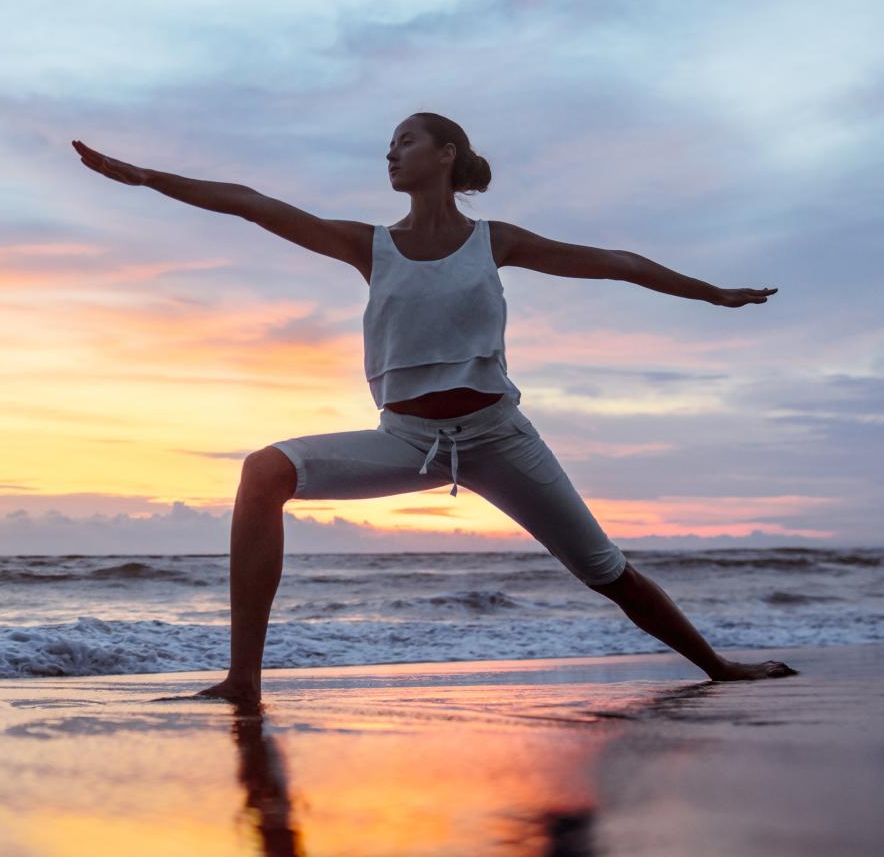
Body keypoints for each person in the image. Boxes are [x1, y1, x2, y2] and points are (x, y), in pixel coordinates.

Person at [72, 113, 796, 706]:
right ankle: (243, 682)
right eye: (387, 148)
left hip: (497, 436)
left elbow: (617, 262)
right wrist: (145, 178)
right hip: (407, 438)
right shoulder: (370, 245)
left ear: (447, 154)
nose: (391, 154)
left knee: (605, 570)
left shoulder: (495, 240)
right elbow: (252, 203)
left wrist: (714, 294)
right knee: (264, 472)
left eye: (406, 141)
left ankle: (716, 664)